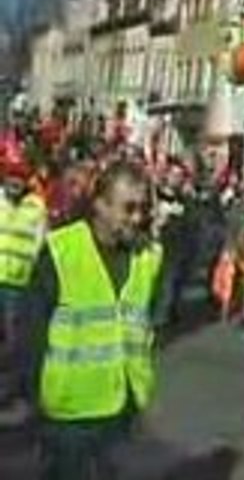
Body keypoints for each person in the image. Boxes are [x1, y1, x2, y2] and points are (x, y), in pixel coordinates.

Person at [26, 160, 163, 480]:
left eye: (142, 208)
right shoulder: (62, 250)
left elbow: (147, 327)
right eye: (128, 208)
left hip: (120, 409)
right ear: (100, 205)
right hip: (68, 413)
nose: (137, 217)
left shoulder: (149, 256)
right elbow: (29, 336)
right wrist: (36, 401)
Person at [0, 157, 48, 405]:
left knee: (12, 340)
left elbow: (41, 243)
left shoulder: (36, 207)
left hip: (18, 283)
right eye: (11, 177)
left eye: (19, 178)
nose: (14, 182)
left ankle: (7, 388)